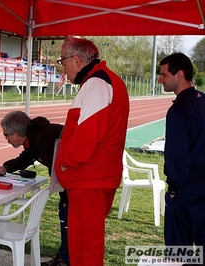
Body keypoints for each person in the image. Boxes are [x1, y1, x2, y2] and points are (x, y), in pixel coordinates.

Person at [54, 36, 129, 265]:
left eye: (63, 62)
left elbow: (87, 138)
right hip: (94, 178)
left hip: (89, 179)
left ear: (77, 60)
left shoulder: (97, 83)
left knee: (85, 249)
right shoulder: (102, 80)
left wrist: (65, 160)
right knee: (86, 246)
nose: (63, 69)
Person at [0, 110, 70, 266]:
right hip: (73, 183)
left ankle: (67, 260)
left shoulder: (44, 140)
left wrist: (66, 198)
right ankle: (65, 258)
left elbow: (61, 169)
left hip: (79, 183)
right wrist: (5, 168)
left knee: (68, 220)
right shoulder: (35, 136)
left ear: (16, 134)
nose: (6, 139)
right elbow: (27, 157)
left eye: (6, 135)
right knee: (65, 218)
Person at [158, 53, 205, 263]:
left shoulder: (178, 110)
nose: (160, 79)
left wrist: (175, 189)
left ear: (179, 75)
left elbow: (176, 155)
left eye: (163, 75)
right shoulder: (203, 101)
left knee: (179, 254)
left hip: (187, 192)